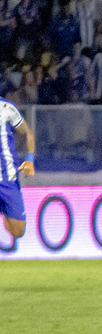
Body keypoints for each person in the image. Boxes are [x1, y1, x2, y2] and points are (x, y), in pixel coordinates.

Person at [0, 96, 36, 239]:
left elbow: (28, 133)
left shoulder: (6, 107)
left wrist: (29, 159)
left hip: (8, 178)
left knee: (18, 231)